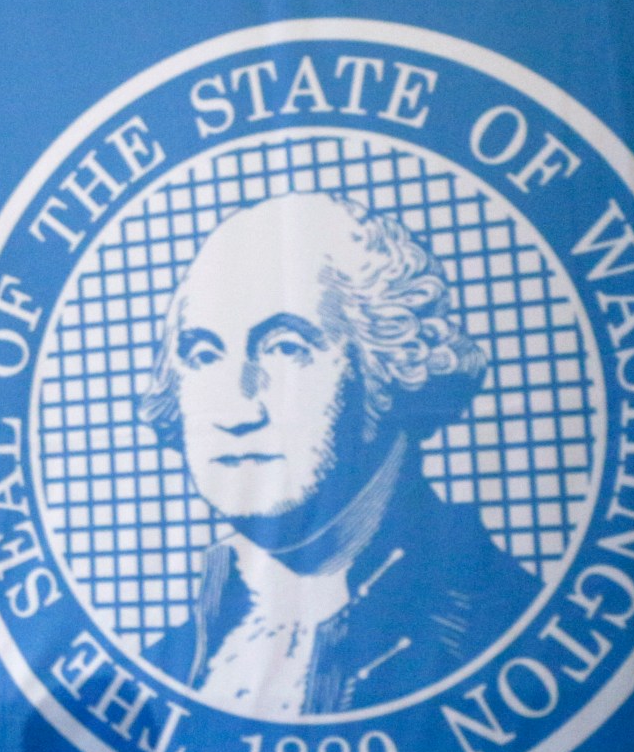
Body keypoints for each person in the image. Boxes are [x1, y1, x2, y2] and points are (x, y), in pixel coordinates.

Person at [136, 191, 538, 717]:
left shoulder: (503, 637)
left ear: (391, 364)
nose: (236, 405)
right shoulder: (157, 671)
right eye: (203, 354)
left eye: (284, 348)